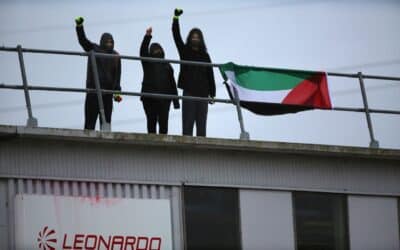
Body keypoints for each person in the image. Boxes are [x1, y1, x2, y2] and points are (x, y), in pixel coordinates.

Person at [172, 8, 216, 137]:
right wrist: (175, 18)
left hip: (203, 93)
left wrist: (212, 93)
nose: (195, 39)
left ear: (201, 40)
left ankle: (201, 152)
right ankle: (186, 153)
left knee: (201, 126)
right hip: (189, 91)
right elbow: (176, 36)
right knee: (188, 124)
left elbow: (210, 74)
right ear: (190, 38)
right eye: (193, 37)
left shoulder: (205, 56)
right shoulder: (184, 51)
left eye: (198, 37)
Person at [75, 16, 122, 130]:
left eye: (111, 41)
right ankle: (86, 146)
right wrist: (79, 27)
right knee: (89, 124)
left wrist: (116, 93)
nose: (109, 43)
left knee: (106, 125)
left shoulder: (116, 56)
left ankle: (105, 146)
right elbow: (83, 41)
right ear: (102, 41)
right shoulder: (94, 49)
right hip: (93, 91)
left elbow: (117, 77)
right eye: (107, 41)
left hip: (107, 94)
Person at [140, 27, 180, 134]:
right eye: (154, 50)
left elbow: (173, 84)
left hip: (165, 99)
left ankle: (163, 148)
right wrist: (147, 37)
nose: (157, 51)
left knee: (164, 125)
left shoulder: (167, 66)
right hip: (149, 99)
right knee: (151, 124)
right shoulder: (148, 63)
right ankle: (151, 146)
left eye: (159, 49)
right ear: (151, 52)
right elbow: (143, 52)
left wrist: (176, 102)